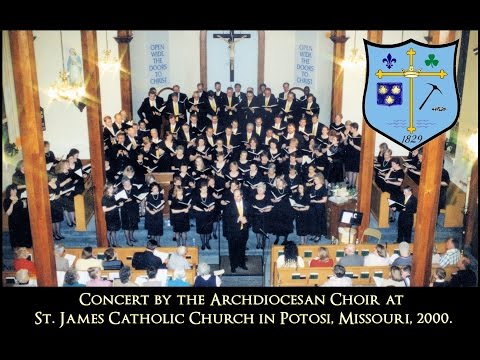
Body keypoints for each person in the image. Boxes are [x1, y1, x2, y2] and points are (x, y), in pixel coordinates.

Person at [223, 189, 251, 273]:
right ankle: (233, 265)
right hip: (233, 231)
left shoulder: (247, 204)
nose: (236, 198)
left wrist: (247, 219)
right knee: (233, 249)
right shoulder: (229, 206)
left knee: (242, 248)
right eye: (234, 196)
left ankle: (242, 263)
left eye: (238, 196)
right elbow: (226, 219)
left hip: (244, 230)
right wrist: (237, 219)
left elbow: (251, 215)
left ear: (242, 196)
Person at [3, 184, 31, 248]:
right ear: (9, 191)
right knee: (17, 237)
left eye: (15, 190)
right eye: (12, 190)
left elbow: (23, 208)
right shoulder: (7, 200)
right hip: (14, 221)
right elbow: (8, 213)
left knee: (25, 236)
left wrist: (25, 204)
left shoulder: (20, 197)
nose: (14, 191)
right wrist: (12, 204)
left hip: (24, 220)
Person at [192, 182, 216, 250]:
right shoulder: (196, 196)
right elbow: (193, 206)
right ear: (200, 189)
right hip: (200, 216)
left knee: (208, 231)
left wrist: (209, 209)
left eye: (206, 189)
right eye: (203, 189)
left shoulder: (210, 196)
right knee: (201, 231)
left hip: (209, 215)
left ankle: (207, 243)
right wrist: (202, 209)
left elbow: (213, 205)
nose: (205, 190)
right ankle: (203, 244)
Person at [102, 183, 122, 247]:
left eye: (112, 188)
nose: (111, 189)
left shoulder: (114, 196)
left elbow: (117, 204)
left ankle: (115, 243)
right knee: (109, 231)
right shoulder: (104, 198)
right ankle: (109, 244)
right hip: (109, 215)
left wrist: (120, 205)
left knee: (114, 230)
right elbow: (104, 210)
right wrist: (114, 206)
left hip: (115, 214)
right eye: (109, 188)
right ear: (106, 189)